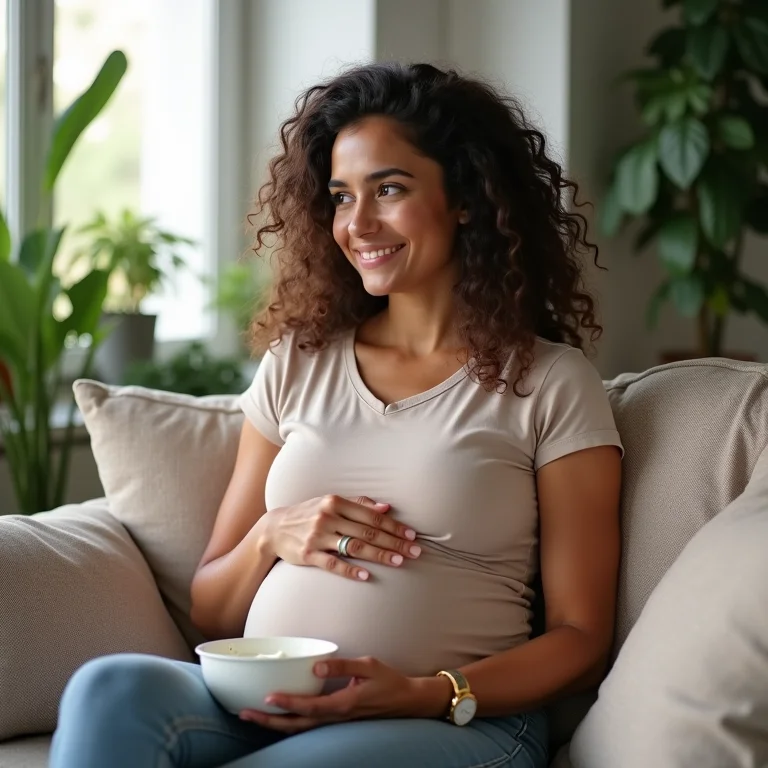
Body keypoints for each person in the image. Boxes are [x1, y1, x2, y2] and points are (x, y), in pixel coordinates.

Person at [51, 62, 623, 768]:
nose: (358, 224)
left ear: (467, 198)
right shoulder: (297, 362)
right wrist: (270, 535)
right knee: (109, 687)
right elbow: (213, 610)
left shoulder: (551, 384)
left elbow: (581, 638)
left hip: (453, 723)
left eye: (389, 189)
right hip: (262, 703)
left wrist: (423, 693)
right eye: (341, 196)